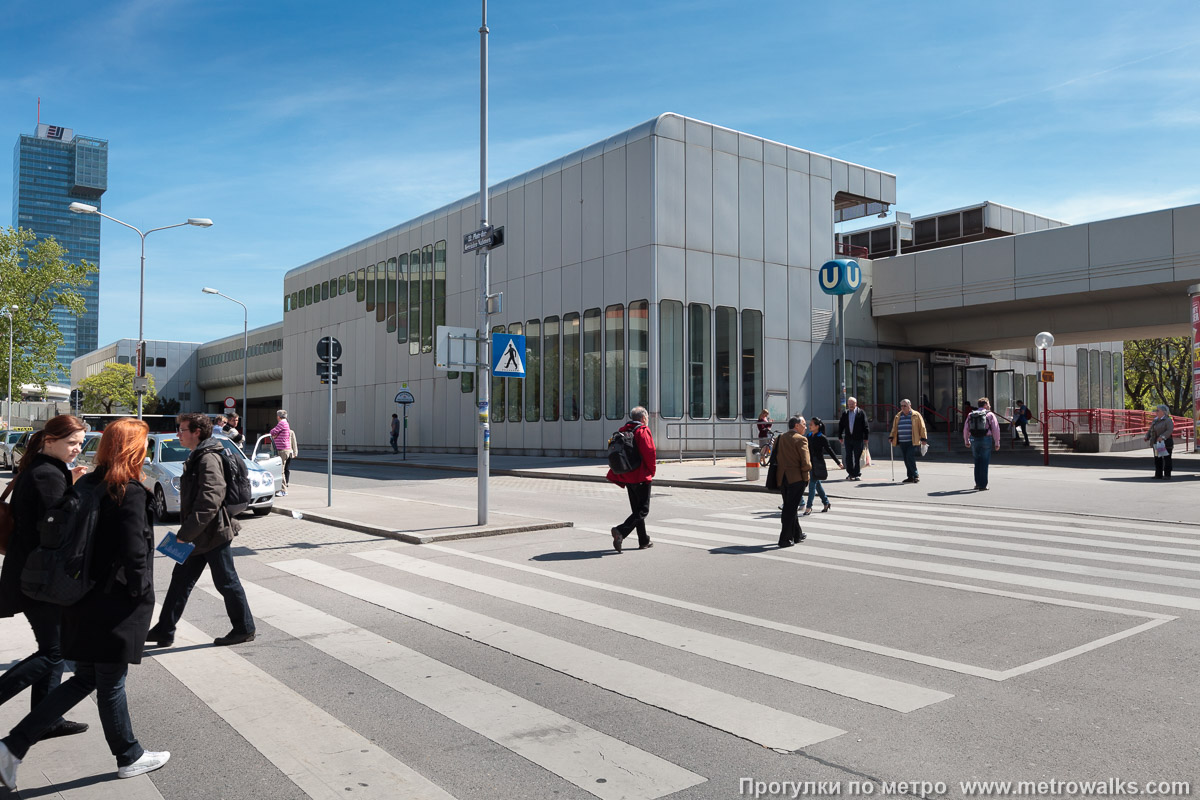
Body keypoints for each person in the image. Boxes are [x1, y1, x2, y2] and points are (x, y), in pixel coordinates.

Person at [0, 418, 169, 789]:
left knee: (89, 678)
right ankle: (128, 756)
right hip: (114, 604)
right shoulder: (129, 491)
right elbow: (135, 555)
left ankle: (14, 746)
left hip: (81, 599)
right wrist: (141, 597)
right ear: (135, 450)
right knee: (107, 682)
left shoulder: (89, 483)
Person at [0, 415, 90, 742]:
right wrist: (76, 491)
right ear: (50, 440)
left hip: (34, 573)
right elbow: (58, 529)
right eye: (71, 443)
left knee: (53, 646)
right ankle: (43, 717)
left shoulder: (45, 470)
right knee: (54, 651)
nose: (77, 449)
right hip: (39, 578)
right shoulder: (47, 475)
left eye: (81, 443)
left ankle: (46, 717)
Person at [145, 413, 255, 648]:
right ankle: (165, 630)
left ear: (197, 432)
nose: (178, 434)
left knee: (226, 582)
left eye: (182, 429)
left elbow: (210, 500)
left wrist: (185, 535)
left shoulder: (208, 459)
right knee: (180, 582)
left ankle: (244, 628)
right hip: (197, 535)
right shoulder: (198, 455)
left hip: (213, 533)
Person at [606, 406, 657, 552]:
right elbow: (650, 452)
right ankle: (621, 531)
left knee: (636, 510)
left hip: (627, 476)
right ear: (643, 418)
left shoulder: (623, 430)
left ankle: (643, 540)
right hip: (641, 475)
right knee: (643, 510)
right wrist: (651, 471)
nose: (647, 420)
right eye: (646, 417)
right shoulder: (642, 431)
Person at [776, 416, 810, 547]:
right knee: (790, 510)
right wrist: (806, 475)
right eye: (804, 424)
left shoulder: (780, 438)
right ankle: (784, 539)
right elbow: (806, 463)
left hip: (782, 478)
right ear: (796, 426)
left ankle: (797, 534)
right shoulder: (801, 440)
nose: (805, 427)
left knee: (790, 506)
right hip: (797, 479)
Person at [804, 417, 841, 516]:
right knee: (818, 485)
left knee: (812, 484)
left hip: (818, 464)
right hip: (810, 464)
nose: (809, 426)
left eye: (811, 424)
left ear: (817, 426)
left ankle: (808, 507)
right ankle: (826, 502)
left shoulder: (822, 437)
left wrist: (838, 462)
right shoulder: (809, 436)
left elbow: (829, 450)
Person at [963, 397, 1001, 491]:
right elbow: (996, 429)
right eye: (988, 404)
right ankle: (983, 485)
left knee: (977, 461)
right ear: (985, 405)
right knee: (984, 462)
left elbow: (966, 428)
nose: (990, 406)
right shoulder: (990, 414)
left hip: (974, 439)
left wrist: (966, 440)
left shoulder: (971, 414)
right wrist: (997, 442)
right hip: (986, 439)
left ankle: (977, 483)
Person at [889, 399, 929, 484]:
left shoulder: (916, 415)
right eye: (902, 406)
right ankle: (910, 477)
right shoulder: (898, 416)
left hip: (912, 441)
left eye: (905, 406)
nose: (903, 408)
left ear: (909, 406)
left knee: (909, 457)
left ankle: (916, 475)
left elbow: (922, 427)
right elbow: (894, 427)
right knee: (906, 459)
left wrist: (923, 438)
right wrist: (891, 436)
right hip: (902, 441)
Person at [837, 397, 869, 481]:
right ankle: (850, 473)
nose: (851, 405)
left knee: (857, 457)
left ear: (856, 404)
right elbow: (841, 425)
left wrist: (866, 437)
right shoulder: (845, 413)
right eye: (849, 404)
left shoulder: (861, 413)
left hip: (858, 438)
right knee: (848, 457)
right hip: (848, 438)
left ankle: (857, 473)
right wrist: (840, 436)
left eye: (852, 404)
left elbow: (865, 425)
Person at [1145, 404, 1174, 480]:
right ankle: (1158, 474)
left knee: (1167, 458)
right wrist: (1147, 436)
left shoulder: (1168, 420)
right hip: (1156, 443)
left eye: (1158, 410)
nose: (1156, 412)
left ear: (1163, 412)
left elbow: (1169, 430)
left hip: (1166, 442)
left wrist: (1162, 437)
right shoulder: (1155, 420)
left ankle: (1167, 475)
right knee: (1157, 458)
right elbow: (1151, 429)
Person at [271, 409, 293, 496]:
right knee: (281, 469)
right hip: (284, 449)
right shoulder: (286, 423)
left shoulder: (282, 423)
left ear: (278, 416)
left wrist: (275, 436)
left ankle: (283, 490)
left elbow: (272, 432)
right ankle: (281, 489)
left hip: (282, 449)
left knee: (281, 470)